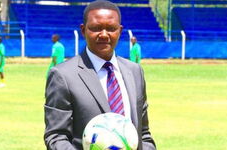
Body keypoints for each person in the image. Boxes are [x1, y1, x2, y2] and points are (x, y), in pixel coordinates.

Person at [44, 0, 156, 150]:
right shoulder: (63, 76)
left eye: (111, 28)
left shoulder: (134, 71)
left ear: (120, 31)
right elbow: (56, 136)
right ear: (83, 30)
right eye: (96, 28)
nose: (104, 35)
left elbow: (143, 134)